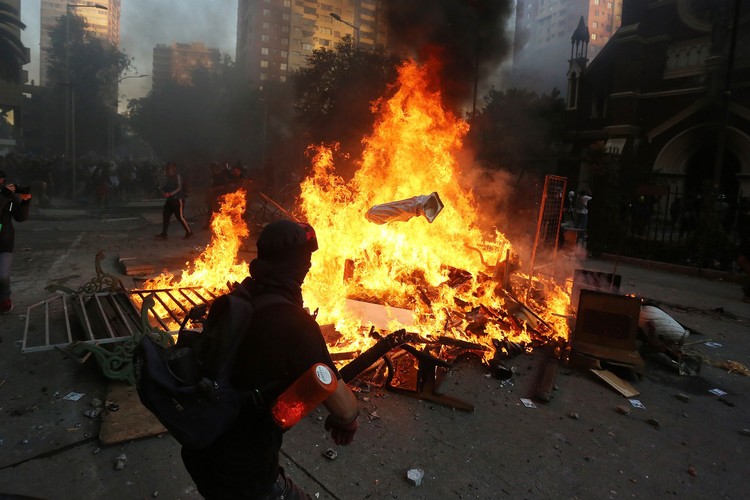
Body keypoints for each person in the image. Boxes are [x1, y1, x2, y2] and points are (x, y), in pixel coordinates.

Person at [181, 219, 360, 499]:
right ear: (298, 266)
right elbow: (344, 407)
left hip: (200, 449)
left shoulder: (232, 302)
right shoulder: (295, 324)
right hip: (243, 472)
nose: (309, 267)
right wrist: (349, 421)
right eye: (306, 261)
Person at [0, 170, 32, 314]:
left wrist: (25, 200)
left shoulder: (8, 196)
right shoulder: (5, 195)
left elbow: (19, 216)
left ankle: (5, 299)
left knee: (3, 275)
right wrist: (4, 195)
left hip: (4, 242)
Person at [155, 161, 193, 239]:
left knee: (180, 217)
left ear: (174, 168)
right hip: (170, 200)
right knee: (166, 215)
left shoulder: (178, 176)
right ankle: (164, 234)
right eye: (167, 168)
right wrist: (161, 190)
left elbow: (179, 187)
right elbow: (167, 187)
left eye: (170, 168)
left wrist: (170, 194)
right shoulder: (169, 177)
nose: (168, 170)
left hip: (178, 199)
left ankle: (189, 232)